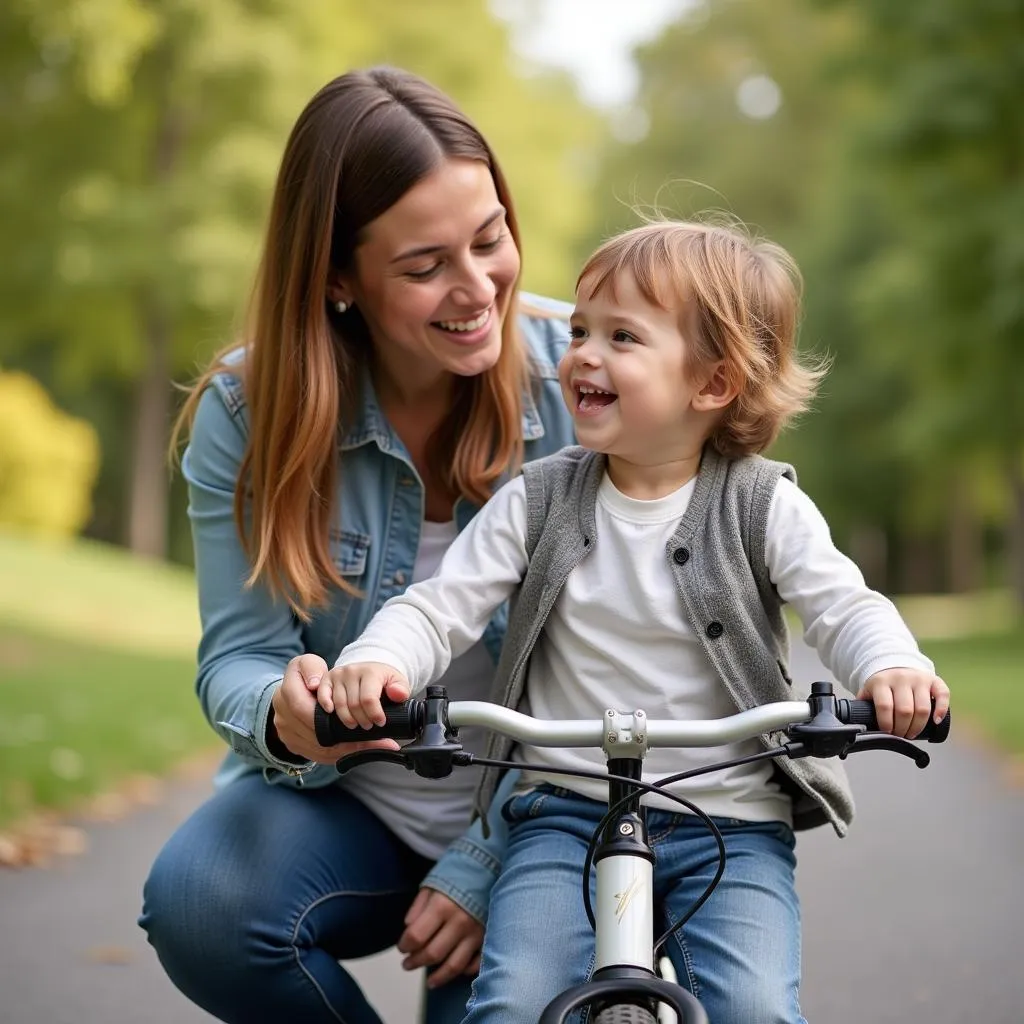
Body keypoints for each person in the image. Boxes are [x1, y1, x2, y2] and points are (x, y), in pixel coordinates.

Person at [313, 219, 951, 1024]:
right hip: (561, 814)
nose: (581, 353)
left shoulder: (761, 505)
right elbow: (440, 605)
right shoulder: (541, 497)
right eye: (580, 330)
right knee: (511, 1004)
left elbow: (843, 604)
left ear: (712, 384)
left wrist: (890, 668)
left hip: (730, 819)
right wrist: (379, 659)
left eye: (622, 336)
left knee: (752, 1007)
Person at [138, 66, 577, 1024]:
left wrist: (486, 857)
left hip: (542, 820)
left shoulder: (581, 385)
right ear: (338, 279)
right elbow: (237, 658)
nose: (478, 291)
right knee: (202, 904)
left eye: (491, 238)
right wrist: (284, 716)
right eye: (424, 267)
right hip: (350, 811)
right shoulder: (250, 412)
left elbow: (621, 673)